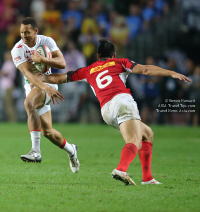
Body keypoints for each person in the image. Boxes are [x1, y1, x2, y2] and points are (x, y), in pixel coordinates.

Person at [39, 39, 191, 185]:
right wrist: (171, 72)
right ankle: (121, 169)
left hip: (106, 110)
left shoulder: (88, 70)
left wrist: (36, 77)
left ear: (98, 56)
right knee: (134, 140)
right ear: (114, 54)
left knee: (147, 133)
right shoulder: (120, 62)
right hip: (122, 102)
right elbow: (145, 69)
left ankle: (148, 178)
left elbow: (60, 78)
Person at [11, 17, 80, 173]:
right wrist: (43, 87)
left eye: (27, 32)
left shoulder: (47, 41)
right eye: (21, 32)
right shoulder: (17, 49)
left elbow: (62, 63)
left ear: (36, 31)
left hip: (47, 83)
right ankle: (71, 150)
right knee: (47, 132)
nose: (23, 36)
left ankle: (35, 151)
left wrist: (42, 60)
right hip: (34, 86)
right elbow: (27, 74)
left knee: (29, 104)